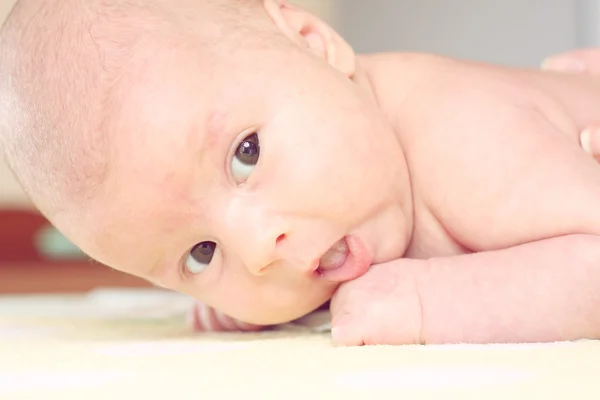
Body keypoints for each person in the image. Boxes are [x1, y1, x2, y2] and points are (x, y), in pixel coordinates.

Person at [1, 0, 600, 345]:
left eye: (246, 154)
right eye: (202, 255)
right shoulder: (342, 200)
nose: (259, 248)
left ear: (315, 44)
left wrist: (432, 303)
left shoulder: (465, 136)